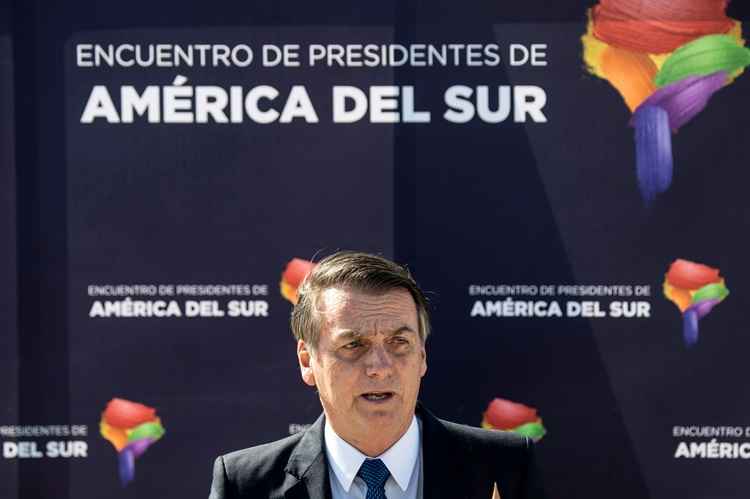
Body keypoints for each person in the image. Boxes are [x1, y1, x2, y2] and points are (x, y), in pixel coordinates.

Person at [209, 251, 544, 499]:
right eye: (354, 345)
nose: (380, 367)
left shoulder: (506, 465)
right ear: (307, 360)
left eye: (400, 342)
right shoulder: (245, 484)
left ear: (422, 356)